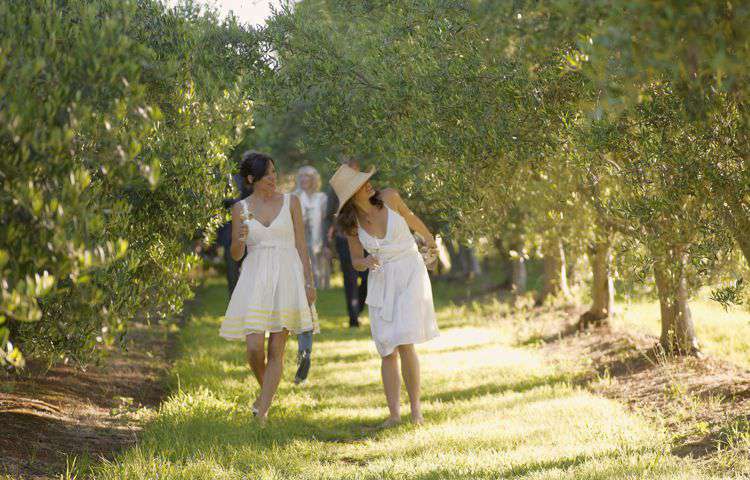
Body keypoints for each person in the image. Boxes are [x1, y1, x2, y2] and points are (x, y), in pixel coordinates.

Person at [330, 163, 439, 426]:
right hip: (381, 281)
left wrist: (430, 242)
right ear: (351, 196)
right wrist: (366, 262)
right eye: (361, 185)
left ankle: (416, 412)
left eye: (366, 180)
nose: (369, 184)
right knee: (387, 348)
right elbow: (356, 260)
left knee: (404, 340)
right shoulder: (352, 224)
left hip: (409, 272)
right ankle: (394, 415)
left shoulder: (389, 198)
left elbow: (412, 220)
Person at [219, 151, 318, 424]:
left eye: (274, 172)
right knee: (254, 349)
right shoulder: (240, 209)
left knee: (276, 349)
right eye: (266, 176)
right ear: (252, 179)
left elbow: (301, 245)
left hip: (287, 277)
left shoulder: (291, 202)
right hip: (255, 279)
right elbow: (236, 255)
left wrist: (309, 282)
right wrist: (240, 239)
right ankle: (267, 394)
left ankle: (262, 412)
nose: (273, 179)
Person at [324, 157, 368, 328]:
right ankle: (353, 317)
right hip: (344, 237)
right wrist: (327, 241)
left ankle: (359, 306)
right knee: (350, 278)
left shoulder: (364, 185)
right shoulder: (335, 189)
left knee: (367, 276)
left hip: (366, 236)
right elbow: (329, 215)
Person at [295, 166, 330, 289]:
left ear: (313, 179)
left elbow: (326, 220)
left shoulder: (322, 198)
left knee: (319, 264)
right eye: (301, 176)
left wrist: (327, 241)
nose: (303, 179)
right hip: (300, 237)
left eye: (307, 176)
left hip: (318, 235)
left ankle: (321, 287)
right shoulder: (295, 196)